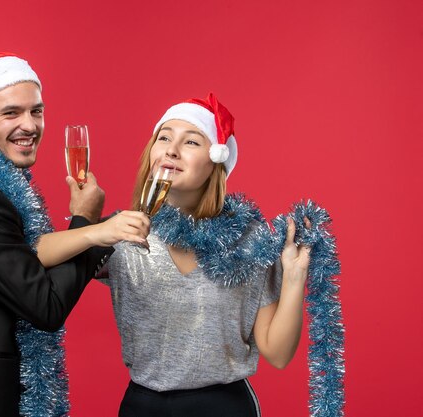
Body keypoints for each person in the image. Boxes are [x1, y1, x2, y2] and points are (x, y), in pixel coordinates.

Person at [0, 52, 149, 417]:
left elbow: (32, 259)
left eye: (36, 111)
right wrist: (87, 223)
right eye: (11, 113)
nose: (29, 125)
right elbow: (45, 305)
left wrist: (97, 232)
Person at [97, 93, 315, 417]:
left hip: (223, 407)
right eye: (164, 137)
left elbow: (278, 354)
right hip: (142, 406)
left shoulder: (249, 239)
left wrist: (294, 277)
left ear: (216, 160)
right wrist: (87, 225)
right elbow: (36, 260)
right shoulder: (121, 231)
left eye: (192, 142)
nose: (171, 148)